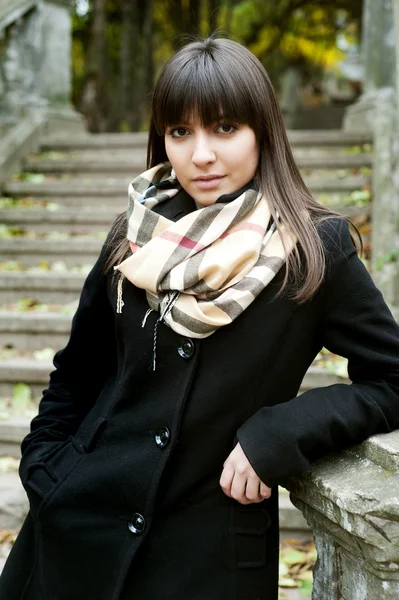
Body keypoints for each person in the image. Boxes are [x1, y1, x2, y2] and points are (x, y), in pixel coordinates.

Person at [1, 35, 399, 600]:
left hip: (209, 560)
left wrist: (282, 430)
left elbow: (393, 379)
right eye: (180, 132)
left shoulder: (313, 249)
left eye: (225, 128)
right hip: (73, 536)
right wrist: (45, 473)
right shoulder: (135, 236)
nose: (200, 155)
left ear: (264, 130)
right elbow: (76, 374)